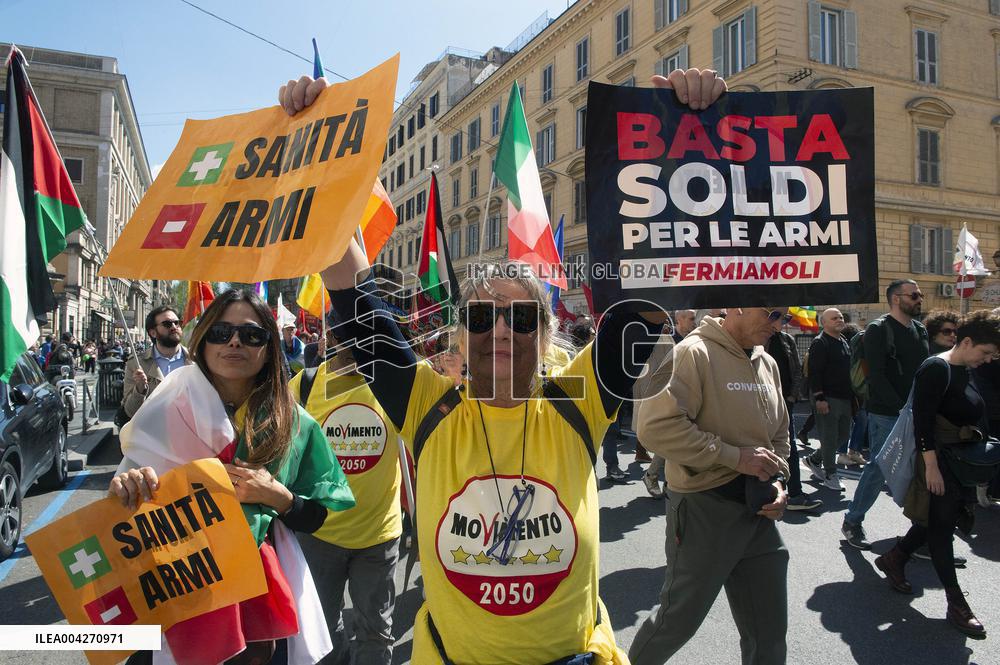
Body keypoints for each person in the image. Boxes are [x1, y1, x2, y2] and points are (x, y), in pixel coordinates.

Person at [110, 289, 355, 665]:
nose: (235, 341)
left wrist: (278, 497)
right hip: (177, 584)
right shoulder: (167, 404)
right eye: (221, 332)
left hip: (259, 595)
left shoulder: (294, 422)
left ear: (269, 347)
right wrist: (128, 484)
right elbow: (126, 496)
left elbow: (317, 514)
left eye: (252, 334)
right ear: (204, 340)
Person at [630, 307, 791, 665]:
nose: (778, 324)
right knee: (676, 621)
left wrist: (779, 481)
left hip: (759, 512)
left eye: (785, 316)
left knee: (769, 633)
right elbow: (655, 429)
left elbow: (780, 433)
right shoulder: (692, 352)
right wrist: (734, 457)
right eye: (772, 313)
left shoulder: (767, 361)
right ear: (737, 306)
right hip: (704, 507)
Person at [873, 310, 1000, 637]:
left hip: (958, 462)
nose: (987, 360)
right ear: (967, 341)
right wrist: (931, 468)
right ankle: (958, 605)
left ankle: (895, 558)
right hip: (938, 462)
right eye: (985, 353)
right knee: (942, 531)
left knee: (934, 521)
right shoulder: (936, 368)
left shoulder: (965, 368)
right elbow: (923, 421)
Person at [290, 325, 403, 665]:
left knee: (376, 632)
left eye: (367, 335)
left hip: (378, 537)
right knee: (321, 630)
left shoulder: (398, 383)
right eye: (348, 336)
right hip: (319, 534)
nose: (358, 344)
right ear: (333, 338)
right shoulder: (305, 386)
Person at [842, 280, 929, 549]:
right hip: (886, 413)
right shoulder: (879, 330)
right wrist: (902, 409)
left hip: (916, 411)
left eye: (920, 295)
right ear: (895, 299)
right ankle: (853, 521)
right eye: (914, 295)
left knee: (919, 469)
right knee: (880, 467)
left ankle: (921, 533)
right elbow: (876, 376)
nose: (919, 299)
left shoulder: (920, 329)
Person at [767, 326, 823, 511]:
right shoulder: (756, 338)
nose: (782, 321)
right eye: (779, 316)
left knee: (789, 447)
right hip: (763, 403)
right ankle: (769, 493)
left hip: (785, 403)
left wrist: (792, 396)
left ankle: (795, 494)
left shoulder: (786, 339)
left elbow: (797, 369)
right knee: (764, 447)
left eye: (785, 318)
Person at [803, 308, 853, 491]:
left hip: (844, 397)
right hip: (827, 397)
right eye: (834, 318)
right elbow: (815, 373)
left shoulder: (844, 341)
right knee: (830, 437)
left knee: (844, 435)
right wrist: (819, 398)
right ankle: (830, 474)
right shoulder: (820, 342)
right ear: (824, 323)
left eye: (840, 317)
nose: (839, 320)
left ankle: (814, 459)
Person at [121, 306, 193, 419]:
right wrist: (140, 389)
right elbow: (130, 412)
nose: (174, 327)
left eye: (177, 323)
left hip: (190, 433)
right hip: (152, 433)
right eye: (167, 324)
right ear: (153, 333)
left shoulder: (196, 360)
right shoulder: (137, 364)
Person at [634, 325, 675, 499]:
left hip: (669, 391)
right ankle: (653, 475)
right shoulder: (641, 338)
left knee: (674, 437)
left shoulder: (669, 339)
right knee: (669, 436)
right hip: (655, 391)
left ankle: (667, 481)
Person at [836, 322, 867, 466]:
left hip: (854, 392)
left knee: (860, 420)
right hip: (847, 392)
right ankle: (843, 453)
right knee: (849, 423)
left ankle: (853, 451)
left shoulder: (855, 350)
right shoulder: (843, 349)